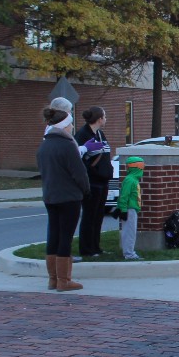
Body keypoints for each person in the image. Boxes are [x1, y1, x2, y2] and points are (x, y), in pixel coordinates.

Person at [37, 104, 92, 291]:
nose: (72, 128)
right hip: (69, 197)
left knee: (53, 234)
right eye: (70, 125)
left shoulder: (44, 145)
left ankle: (53, 279)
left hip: (50, 196)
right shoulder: (68, 145)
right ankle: (64, 280)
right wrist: (86, 190)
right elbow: (79, 173)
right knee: (65, 237)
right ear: (64, 126)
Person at [74, 106, 113, 257]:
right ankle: (86, 249)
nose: (106, 119)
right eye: (104, 116)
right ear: (99, 119)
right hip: (92, 182)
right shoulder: (83, 135)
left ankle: (96, 247)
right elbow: (78, 158)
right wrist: (90, 173)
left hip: (103, 181)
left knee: (98, 216)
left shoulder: (100, 134)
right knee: (89, 216)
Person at [116, 156, 145, 260]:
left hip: (131, 209)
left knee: (129, 231)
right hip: (129, 210)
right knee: (129, 232)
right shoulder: (130, 180)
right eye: (141, 165)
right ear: (135, 167)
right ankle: (129, 254)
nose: (142, 168)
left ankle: (128, 252)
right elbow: (124, 196)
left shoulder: (132, 179)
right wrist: (123, 210)